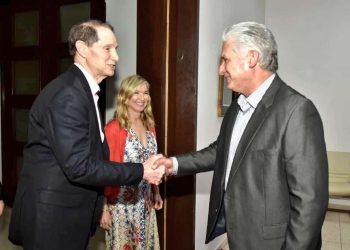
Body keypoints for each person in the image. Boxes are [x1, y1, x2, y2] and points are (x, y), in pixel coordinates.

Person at [156, 21, 328, 250]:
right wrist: (174, 164)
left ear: (252, 59)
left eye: (225, 60)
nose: (220, 69)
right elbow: (222, 150)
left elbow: (310, 202)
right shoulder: (238, 106)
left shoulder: (296, 111)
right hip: (239, 237)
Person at [8, 20, 165, 250]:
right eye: (107, 48)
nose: (116, 57)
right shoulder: (69, 95)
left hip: (66, 216)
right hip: (53, 220)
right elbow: (80, 166)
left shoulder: (81, 91)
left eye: (116, 49)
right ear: (82, 49)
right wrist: (141, 170)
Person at [100, 74, 162, 249]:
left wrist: (156, 191)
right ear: (125, 97)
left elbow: (153, 163)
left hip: (146, 201)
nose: (142, 98)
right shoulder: (114, 128)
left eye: (146, 92)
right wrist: (104, 209)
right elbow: (106, 171)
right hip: (121, 205)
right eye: (136, 93)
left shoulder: (149, 125)